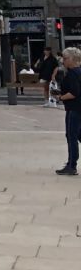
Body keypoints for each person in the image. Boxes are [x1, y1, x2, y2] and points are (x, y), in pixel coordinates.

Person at [55, 47, 81, 175]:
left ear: (72, 59)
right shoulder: (78, 71)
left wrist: (60, 97)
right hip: (78, 108)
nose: (63, 61)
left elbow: (74, 92)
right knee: (78, 134)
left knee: (71, 136)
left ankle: (72, 165)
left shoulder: (72, 73)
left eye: (65, 58)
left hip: (74, 108)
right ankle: (71, 164)